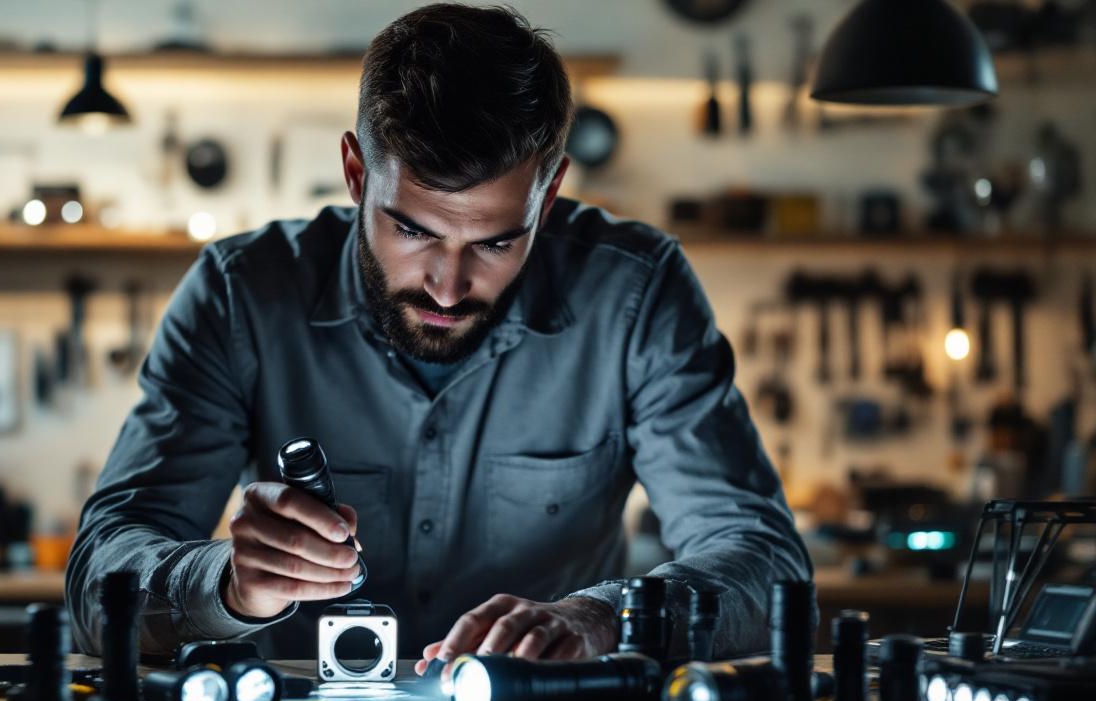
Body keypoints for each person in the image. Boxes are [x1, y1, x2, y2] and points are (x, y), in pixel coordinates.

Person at [67, 3, 811, 667]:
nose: (448, 288)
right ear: (356, 174)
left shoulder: (637, 294)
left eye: (495, 242)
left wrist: (606, 618)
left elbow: (766, 561)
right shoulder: (240, 294)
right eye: (413, 231)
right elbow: (99, 577)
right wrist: (227, 584)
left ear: (549, 194)